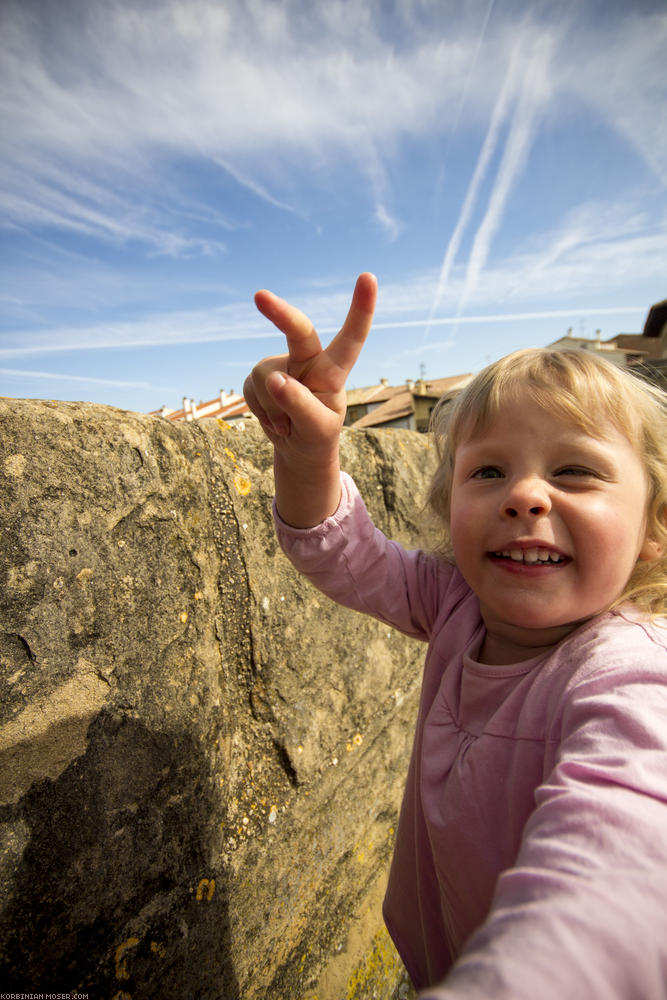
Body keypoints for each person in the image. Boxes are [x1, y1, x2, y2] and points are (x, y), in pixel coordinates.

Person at [244, 273, 667, 998]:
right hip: (435, 957)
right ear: (448, 510)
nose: (524, 495)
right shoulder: (456, 605)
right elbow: (339, 552)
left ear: (652, 530)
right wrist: (309, 455)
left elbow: (619, 862)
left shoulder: (625, 672)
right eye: (489, 471)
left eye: (574, 470)